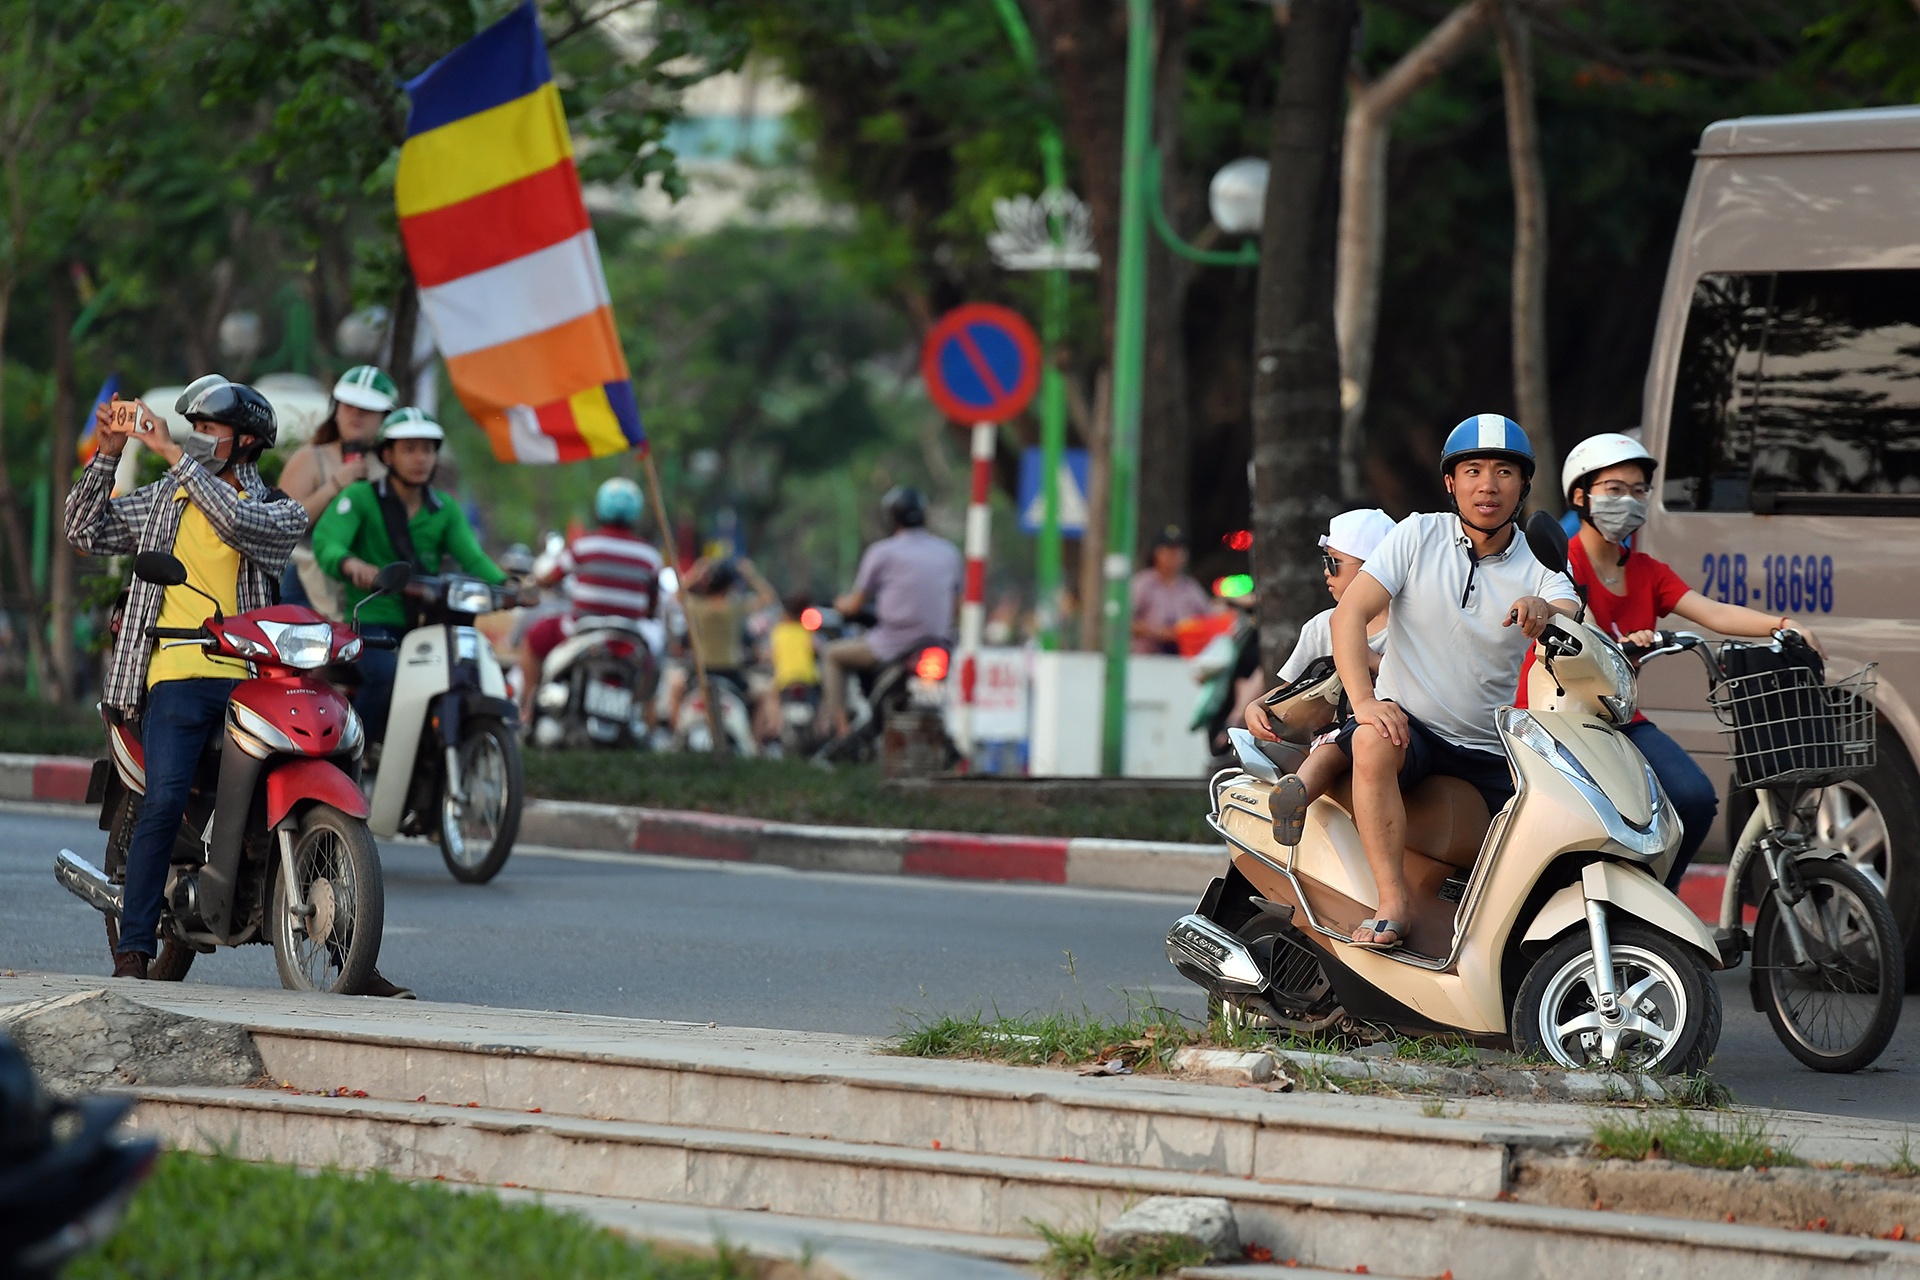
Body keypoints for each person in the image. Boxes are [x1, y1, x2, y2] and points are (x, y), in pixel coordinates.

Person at [64, 379, 309, 981]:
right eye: (191, 428)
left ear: (246, 441)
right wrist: (107, 452)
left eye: (208, 430)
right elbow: (83, 530)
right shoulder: (168, 498)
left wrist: (173, 452)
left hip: (251, 679)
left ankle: (342, 939)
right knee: (166, 796)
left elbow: (235, 523)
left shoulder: (276, 507)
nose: (197, 439)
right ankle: (134, 948)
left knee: (295, 789)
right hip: (174, 676)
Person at [1525, 433, 1824, 889]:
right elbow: (1560, 626)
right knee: (1589, 819)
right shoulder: (1564, 565)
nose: (1629, 500)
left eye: (1639, 490)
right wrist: (1615, 641)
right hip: (1559, 716)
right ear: (1580, 496)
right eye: (1614, 489)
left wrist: (1781, 624)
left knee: (1693, 797)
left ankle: (1657, 902)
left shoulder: (1648, 571)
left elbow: (1713, 611)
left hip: (1619, 717)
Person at [1330, 415, 1581, 951]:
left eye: (1503, 472)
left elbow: (1566, 607)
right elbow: (1348, 616)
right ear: (1450, 482)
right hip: (1411, 728)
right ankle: (1391, 901)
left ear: (1523, 486)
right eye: (1472, 470)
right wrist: (1365, 702)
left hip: (1493, 747)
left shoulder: (1539, 557)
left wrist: (1545, 609)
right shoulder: (1417, 534)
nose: (1487, 485)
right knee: (1372, 739)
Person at [311, 408, 509, 746]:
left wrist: (510, 586)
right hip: (370, 624)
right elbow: (327, 542)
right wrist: (350, 564)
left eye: (427, 450)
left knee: (461, 678)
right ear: (387, 455)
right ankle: (359, 750)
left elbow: (473, 558)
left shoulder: (444, 509)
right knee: (387, 677)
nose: (420, 459)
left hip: (426, 625)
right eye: (409, 449)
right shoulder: (360, 498)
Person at [1246, 508, 1397, 837]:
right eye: (1325, 561)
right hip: (1328, 731)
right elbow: (1295, 688)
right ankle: (1295, 796)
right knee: (1333, 744)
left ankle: (1297, 793)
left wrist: (1367, 656)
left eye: (1334, 562)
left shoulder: (1406, 627)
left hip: (1388, 731)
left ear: (1374, 569)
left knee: (1348, 740)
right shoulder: (1321, 626)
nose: (1325, 572)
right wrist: (1257, 706)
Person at [516, 478, 665, 722]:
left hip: (579, 631)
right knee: (653, 672)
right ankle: (647, 726)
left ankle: (529, 710)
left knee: (531, 642)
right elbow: (652, 606)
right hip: (630, 637)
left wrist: (533, 582)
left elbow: (551, 578)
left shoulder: (584, 544)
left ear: (600, 508)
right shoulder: (650, 555)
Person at [822, 486, 963, 736]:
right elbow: (957, 604)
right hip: (938, 643)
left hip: (891, 645)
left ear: (892, 518)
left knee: (832, 655)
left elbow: (855, 604)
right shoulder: (949, 552)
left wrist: (840, 605)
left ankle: (841, 732)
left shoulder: (882, 552)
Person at [275, 366, 398, 614]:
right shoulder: (310, 458)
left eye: (367, 409)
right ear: (336, 410)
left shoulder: (389, 471)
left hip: (366, 590)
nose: (356, 414)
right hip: (306, 584)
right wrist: (335, 485)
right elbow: (279, 526)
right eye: (348, 406)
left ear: (385, 417)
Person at [1131, 526, 1212, 655]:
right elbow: (1123, 621)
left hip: (1183, 656)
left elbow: (1209, 618)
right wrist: (1158, 631)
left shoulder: (1190, 587)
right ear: (1156, 553)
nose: (1175, 556)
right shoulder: (1143, 583)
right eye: (1169, 551)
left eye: (1179, 551)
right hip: (1146, 657)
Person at [758, 591, 820, 740]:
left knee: (769, 698)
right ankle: (821, 728)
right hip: (809, 679)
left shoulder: (778, 631)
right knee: (821, 704)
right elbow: (817, 649)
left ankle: (771, 729)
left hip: (784, 680)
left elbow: (769, 655)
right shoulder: (808, 632)